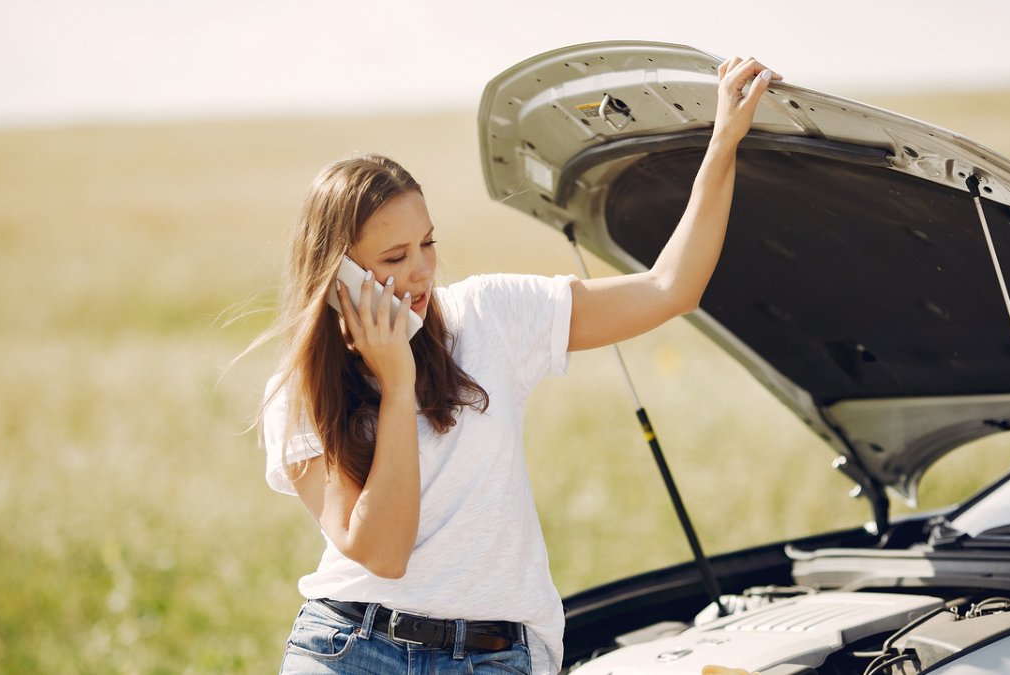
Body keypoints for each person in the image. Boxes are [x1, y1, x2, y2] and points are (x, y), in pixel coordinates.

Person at [261, 56, 777, 674]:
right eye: (394, 256)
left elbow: (670, 289)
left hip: (495, 656)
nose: (422, 271)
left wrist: (722, 143)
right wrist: (397, 385)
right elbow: (384, 551)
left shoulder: (489, 316)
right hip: (351, 647)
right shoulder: (297, 393)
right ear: (337, 274)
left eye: (428, 243)